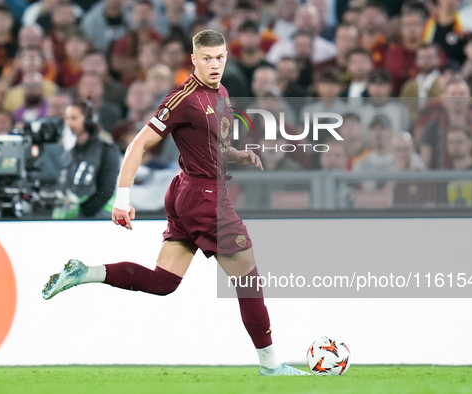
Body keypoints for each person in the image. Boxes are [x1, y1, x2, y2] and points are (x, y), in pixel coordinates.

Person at [42, 30, 310, 376]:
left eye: (221, 57)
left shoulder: (222, 93)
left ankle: (86, 273)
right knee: (248, 279)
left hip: (188, 193)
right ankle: (271, 365)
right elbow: (137, 145)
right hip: (203, 198)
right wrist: (121, 200)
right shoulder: (183, 98)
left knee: (164, 282)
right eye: (208, 58)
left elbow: (208, 143)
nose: (215, 64)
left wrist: (238, 154)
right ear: (195, 60)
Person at [51, 99, 119, 219]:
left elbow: (106, 190)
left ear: (89, 119)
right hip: (77, 217)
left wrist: (83, 214)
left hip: (100, 217)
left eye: (74, 118)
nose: (69, 123)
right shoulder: (70, 152)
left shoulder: (106, 149)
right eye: (67, 118)